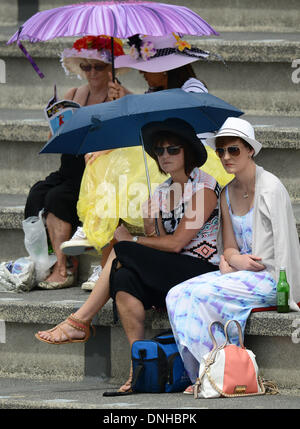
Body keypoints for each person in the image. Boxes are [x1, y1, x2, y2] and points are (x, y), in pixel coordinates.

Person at [35, 117, 222, 394]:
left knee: (122, 249)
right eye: (159, 151)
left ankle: (80, 320)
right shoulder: (161, 192)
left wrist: (133, 239)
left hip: (200, 269)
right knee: (124, 278)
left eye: (173, 149)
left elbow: (176, 244)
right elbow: (160, 241)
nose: (165, 156)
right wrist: (151, 220)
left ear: (188, 151)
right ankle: (140, 367)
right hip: (171, 271)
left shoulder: (204, 187)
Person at [61, 34, 233, 290]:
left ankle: (112, 253)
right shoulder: (154, 89)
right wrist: (125, 101)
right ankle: (100, 239)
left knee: (121, 168)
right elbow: (148, 127)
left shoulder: (192, 87)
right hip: (163, 159)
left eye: (147, 69)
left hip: (195, 160)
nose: (142, 74)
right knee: (103, 157)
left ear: (164, 70)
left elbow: (176, 126)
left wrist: (130, 97)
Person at [166, 117, 300, 389]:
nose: (226, 156)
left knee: (199, 295)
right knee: (175, 293)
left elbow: (287, 245)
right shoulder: (226, 193)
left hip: (272, 278)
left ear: (250, 150)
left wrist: (289, 295)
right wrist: (235, 258)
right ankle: (204, 374)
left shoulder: (272, 189)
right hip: (241, 275)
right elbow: (228, 247)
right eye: (222, 151)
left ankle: (214, 373)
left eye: (234, 149)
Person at [24, 35, 125, 289]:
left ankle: (65, 266)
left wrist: (117, 107)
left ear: (110, 68)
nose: (91, 72)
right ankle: (44, 260)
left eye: (98, 67)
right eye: (86, 66)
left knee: (57, 198)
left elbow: (126, 144)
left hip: (96, 172)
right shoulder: (74, 94)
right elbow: (52, 139)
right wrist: (56, 122)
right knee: (37, 193)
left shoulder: (121, 96)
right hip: (69, 165)